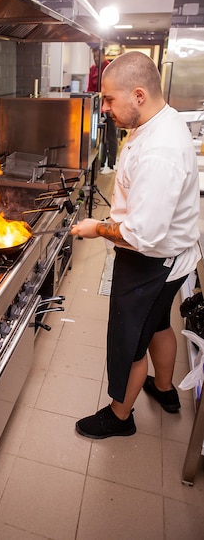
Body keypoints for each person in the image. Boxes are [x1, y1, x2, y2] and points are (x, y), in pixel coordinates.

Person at [71, 51, 200, 439]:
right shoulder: (159, 121)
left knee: (129, 342)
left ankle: (120, 416)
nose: (105, 107)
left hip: (151, 263)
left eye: (109, 99)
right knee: (158, 324)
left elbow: (143, 235)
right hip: (171, 260)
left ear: (139, 94)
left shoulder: (159, 152)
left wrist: (97, 228)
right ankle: (164, 391)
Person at [87, 47, 117, 173]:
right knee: (99, 137)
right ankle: (100, 163)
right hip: (96, 108)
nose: (96, 59)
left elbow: (112, 89)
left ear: (104, 55)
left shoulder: (110, 68)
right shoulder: (93, 69)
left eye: (98, 56)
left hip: (108, 106)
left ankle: (111, 164)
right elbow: (90, 87)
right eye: (94, 57)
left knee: (110, 136)